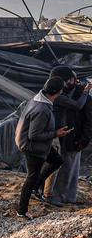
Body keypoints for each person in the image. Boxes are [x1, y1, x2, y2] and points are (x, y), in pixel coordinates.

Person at [15, 76, 71, 218]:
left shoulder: (40, 98)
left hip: (38, 144)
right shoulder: (42, 109)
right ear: (58, 92)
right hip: (32, 146)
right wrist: (55, 134)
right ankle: (21, 211)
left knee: (57, 160)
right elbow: (34, 135)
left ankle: (35, 187)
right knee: (31, 177)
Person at [46, 65, 92, 205]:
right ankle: (49, 195)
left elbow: (89, 120)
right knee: (51, 169)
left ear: (72, 80)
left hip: (73, 139)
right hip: (53, 138)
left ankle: (65, 198)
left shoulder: (82, 96)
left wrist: (84, 140)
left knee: (70, 170)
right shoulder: (55, 93)